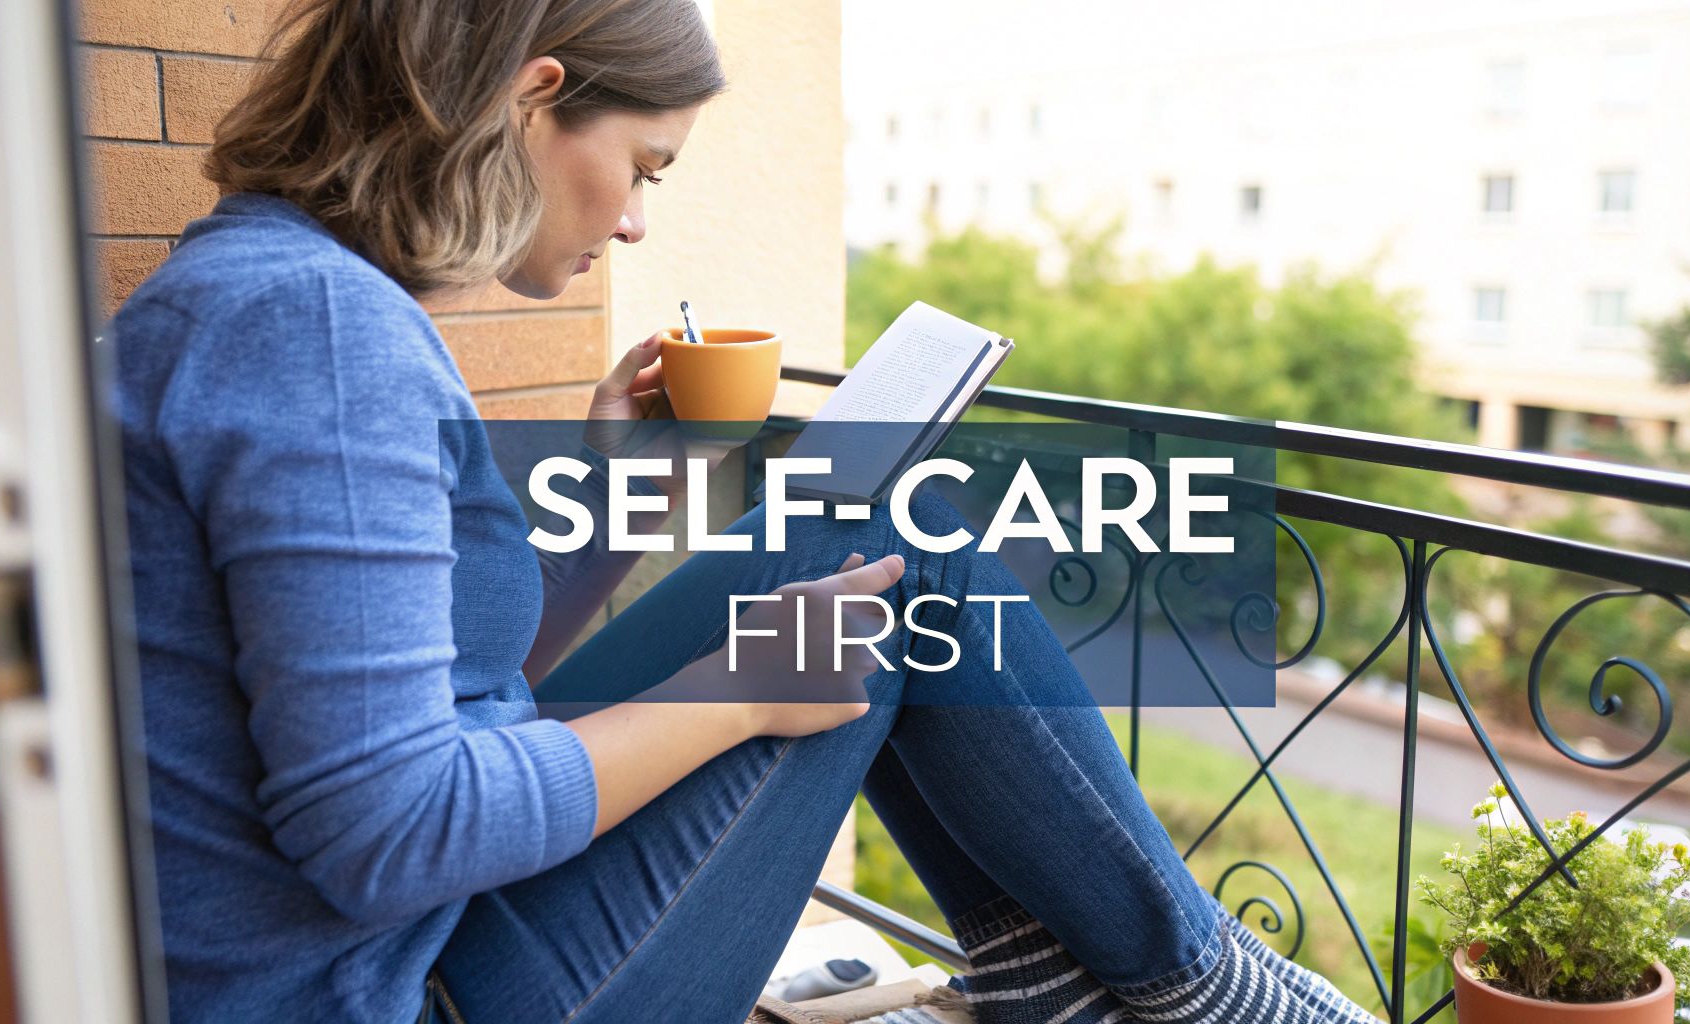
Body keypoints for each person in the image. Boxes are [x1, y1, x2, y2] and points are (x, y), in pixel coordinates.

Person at [106, 0, 1381, 1021]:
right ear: (533, 96)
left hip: (402, 936)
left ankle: (1091, 977)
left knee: (885, 538)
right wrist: (738, 693)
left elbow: (452, 690)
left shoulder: (276, 294)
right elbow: (391, 832)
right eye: (643, 166)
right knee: (903, 566)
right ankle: (1191, 982)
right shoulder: (319, 333)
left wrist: (623, 486)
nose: (640, 219)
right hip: (400, 980)